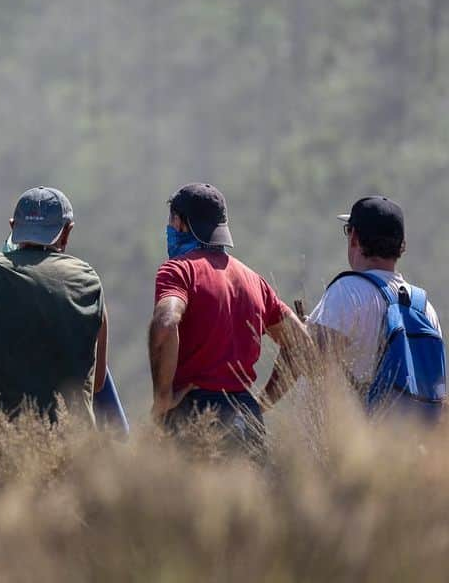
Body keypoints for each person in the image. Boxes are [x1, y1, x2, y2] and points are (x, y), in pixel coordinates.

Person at [148, 183, 308, 446]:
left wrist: (162, 397)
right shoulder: (253, 280)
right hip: (247, 418)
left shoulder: (177, 271)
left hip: (196, 414)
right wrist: (261, 403)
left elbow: (166, 323)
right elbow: (301, 345)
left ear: (179, 222)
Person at [0, 186, 108, 421]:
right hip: (70, 444)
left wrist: (1, 372)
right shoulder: (89, 279)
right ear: (67, 232)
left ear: (13, 227)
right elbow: (97, 380)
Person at [307, 196, 443, 418]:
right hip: (415, 441)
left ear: (354, 238)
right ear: (401, 246)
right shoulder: (424, 307)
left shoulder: (348, 290)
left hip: (359, 441)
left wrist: (300, 333)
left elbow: (309, 362)